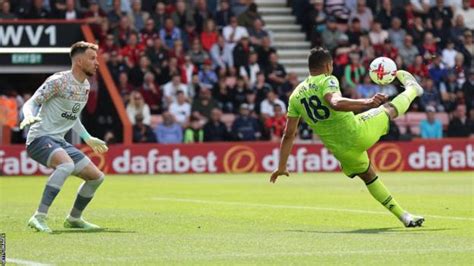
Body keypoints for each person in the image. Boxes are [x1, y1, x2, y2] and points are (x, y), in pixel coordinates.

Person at [270, 47, 425, 228]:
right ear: (328, 65)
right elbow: (335, 102)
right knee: (389, 109)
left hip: (343, 152)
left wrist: (281, 167)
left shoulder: (295, 96)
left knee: (369, 177)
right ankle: (413, 89)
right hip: (358, 132)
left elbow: (288, 134)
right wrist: (367, 102)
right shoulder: (327, 80)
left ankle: (404, 216)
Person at [19, 42, 108, 233]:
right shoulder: (58, 81)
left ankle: (74, 219)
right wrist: (28, 115)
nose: (97, 63)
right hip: (39, 137)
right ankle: (39, 216)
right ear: (78, 60)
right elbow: (31, 103)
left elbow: (73, 116)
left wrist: (87, 137)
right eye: (92, 58)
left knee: (97, 177)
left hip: (59, 140)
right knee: (66, 165)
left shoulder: (84, 86)